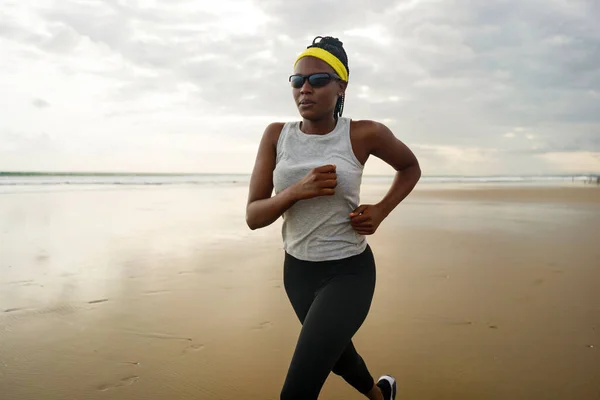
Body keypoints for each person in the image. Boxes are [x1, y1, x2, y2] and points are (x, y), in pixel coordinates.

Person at [245, 35, 421, 400]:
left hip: (349, 271)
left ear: (341, 86)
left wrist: (381, 211)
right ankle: (380, 395)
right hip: (297, 272)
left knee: (297, 390)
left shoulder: (363, 134)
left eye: (318, 80)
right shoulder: (276, 136)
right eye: (297, 81)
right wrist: (296, 191)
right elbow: (253, 216)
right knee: (339, 356)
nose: (304, 89)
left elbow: (409, 167)